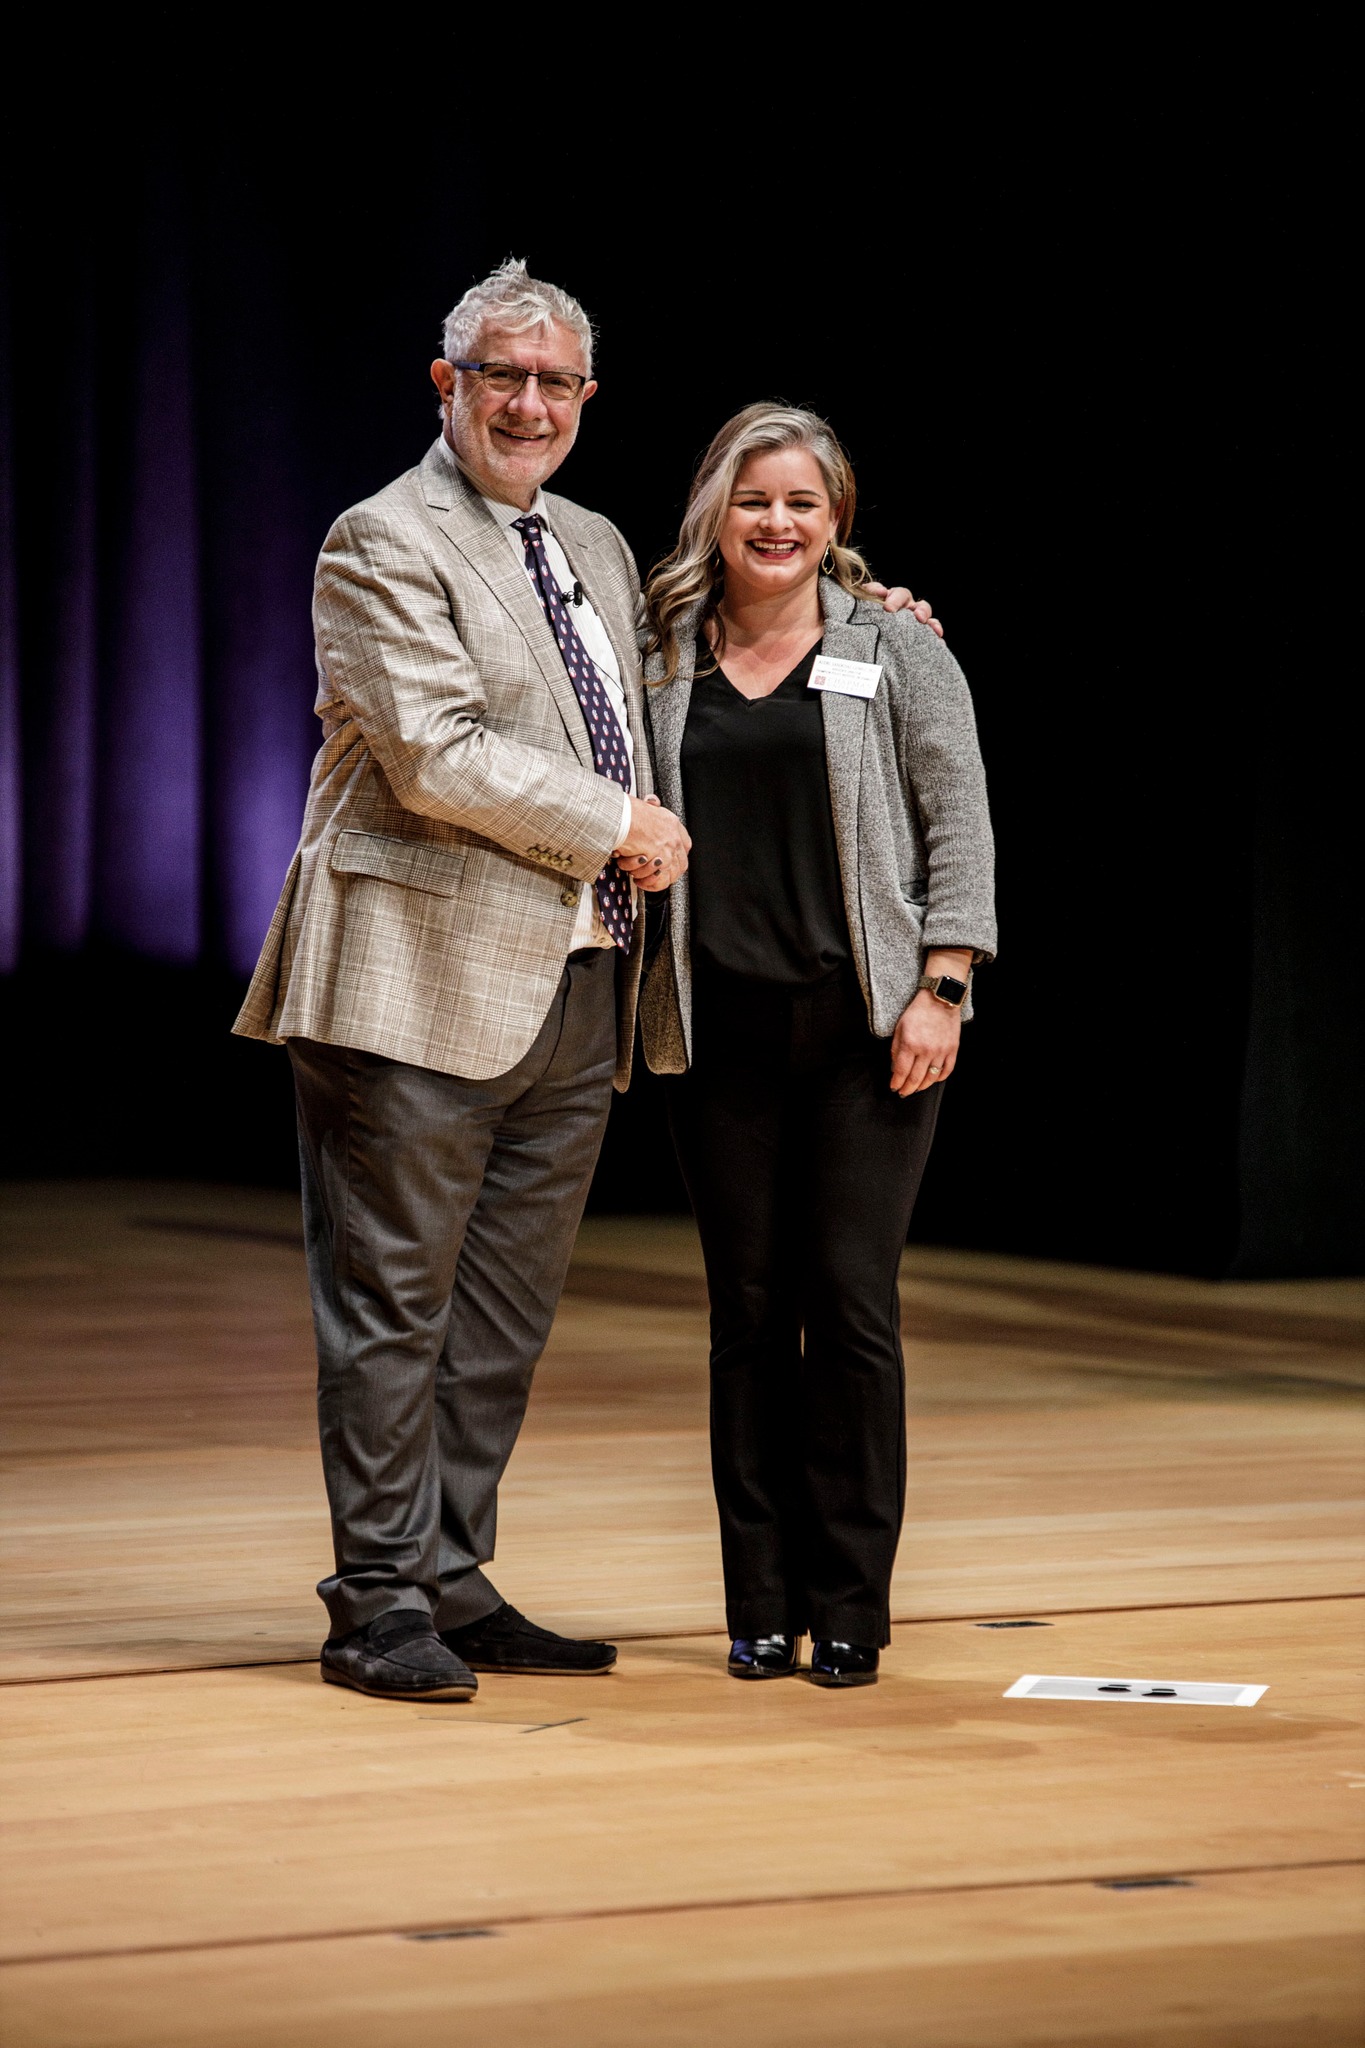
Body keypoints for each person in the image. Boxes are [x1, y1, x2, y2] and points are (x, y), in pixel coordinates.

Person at [235, 265, 932, 1704]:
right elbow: (430, 750)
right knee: (394, 1302)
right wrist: (616, 822)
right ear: (449, 386)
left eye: (556, 383)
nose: (529, 403)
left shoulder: (601, 548)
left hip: (578, 981)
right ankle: (374, 1596)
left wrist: (873, 614)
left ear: (586, 400)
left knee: (498, 1311)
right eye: (503, 375)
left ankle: (448, 1567)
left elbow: (723, 642)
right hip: (415, 977)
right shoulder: (382, 538)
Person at [628, 403, 996, 1689]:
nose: (775, 523)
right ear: (713, 515)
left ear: (834, 518)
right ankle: (758, 1602)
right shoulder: (657, 649)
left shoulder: (894, 643)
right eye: (753, 500)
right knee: (746, 1316)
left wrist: (943, 986)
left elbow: (959, 819)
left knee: (847, 1310)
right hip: (714, 1035)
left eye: (801, 501)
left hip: (865, 1033)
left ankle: (849, 1605)